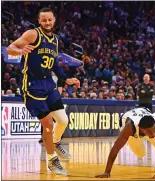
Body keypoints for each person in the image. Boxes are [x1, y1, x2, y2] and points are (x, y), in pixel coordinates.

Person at [6, 8, 80, 175]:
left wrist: (65, 79)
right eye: (44, 20)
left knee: (63, 120)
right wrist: (19, 51)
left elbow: (53, 64)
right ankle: (52, 161)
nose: (47, 23)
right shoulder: (33, 34)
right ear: (39, 21)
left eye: (50, 20)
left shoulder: (55, 40)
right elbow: (10, 48)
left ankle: (55, 142)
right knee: (47, 124)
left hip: (48, 83)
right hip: (32, 84)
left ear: (54, 20)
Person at [95, 107, 155, 179]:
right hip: (132, 128)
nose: (154, 134)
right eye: (151, 132)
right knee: (140, 154)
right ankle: (139, 140)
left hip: (143, 116)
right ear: (142, 129)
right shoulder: (129, 128)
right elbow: (115, 148)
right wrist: (107, 171)